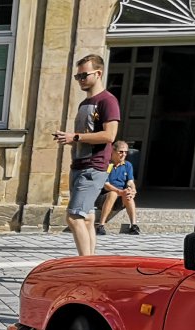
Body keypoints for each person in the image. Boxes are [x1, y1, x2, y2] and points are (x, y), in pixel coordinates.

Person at [53, 54, 120, 257]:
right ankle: (91, 263)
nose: (80, 80)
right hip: (80, 165)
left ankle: (85, 267)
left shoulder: (107, 101)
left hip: (93, 167)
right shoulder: (85, 103)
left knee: (74, 217)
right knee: (88, 217)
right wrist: (72, 138)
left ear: (98, 73)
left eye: (84, 75)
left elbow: (110, 135)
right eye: (78, 76)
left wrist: (76, 136)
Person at [97, 141, 140, 236]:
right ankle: (101, 225)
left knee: (128, 193)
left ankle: (134, 225)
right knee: (113, 193)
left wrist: (133, 190)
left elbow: (130, 181)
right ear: (113, 151)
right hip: (105, 197)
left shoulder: (127, 165)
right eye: (121, 151)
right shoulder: (108, 165)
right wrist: (119, 191)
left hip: (121, 198)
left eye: (125, 152)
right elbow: (106, 184)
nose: (124, 154)